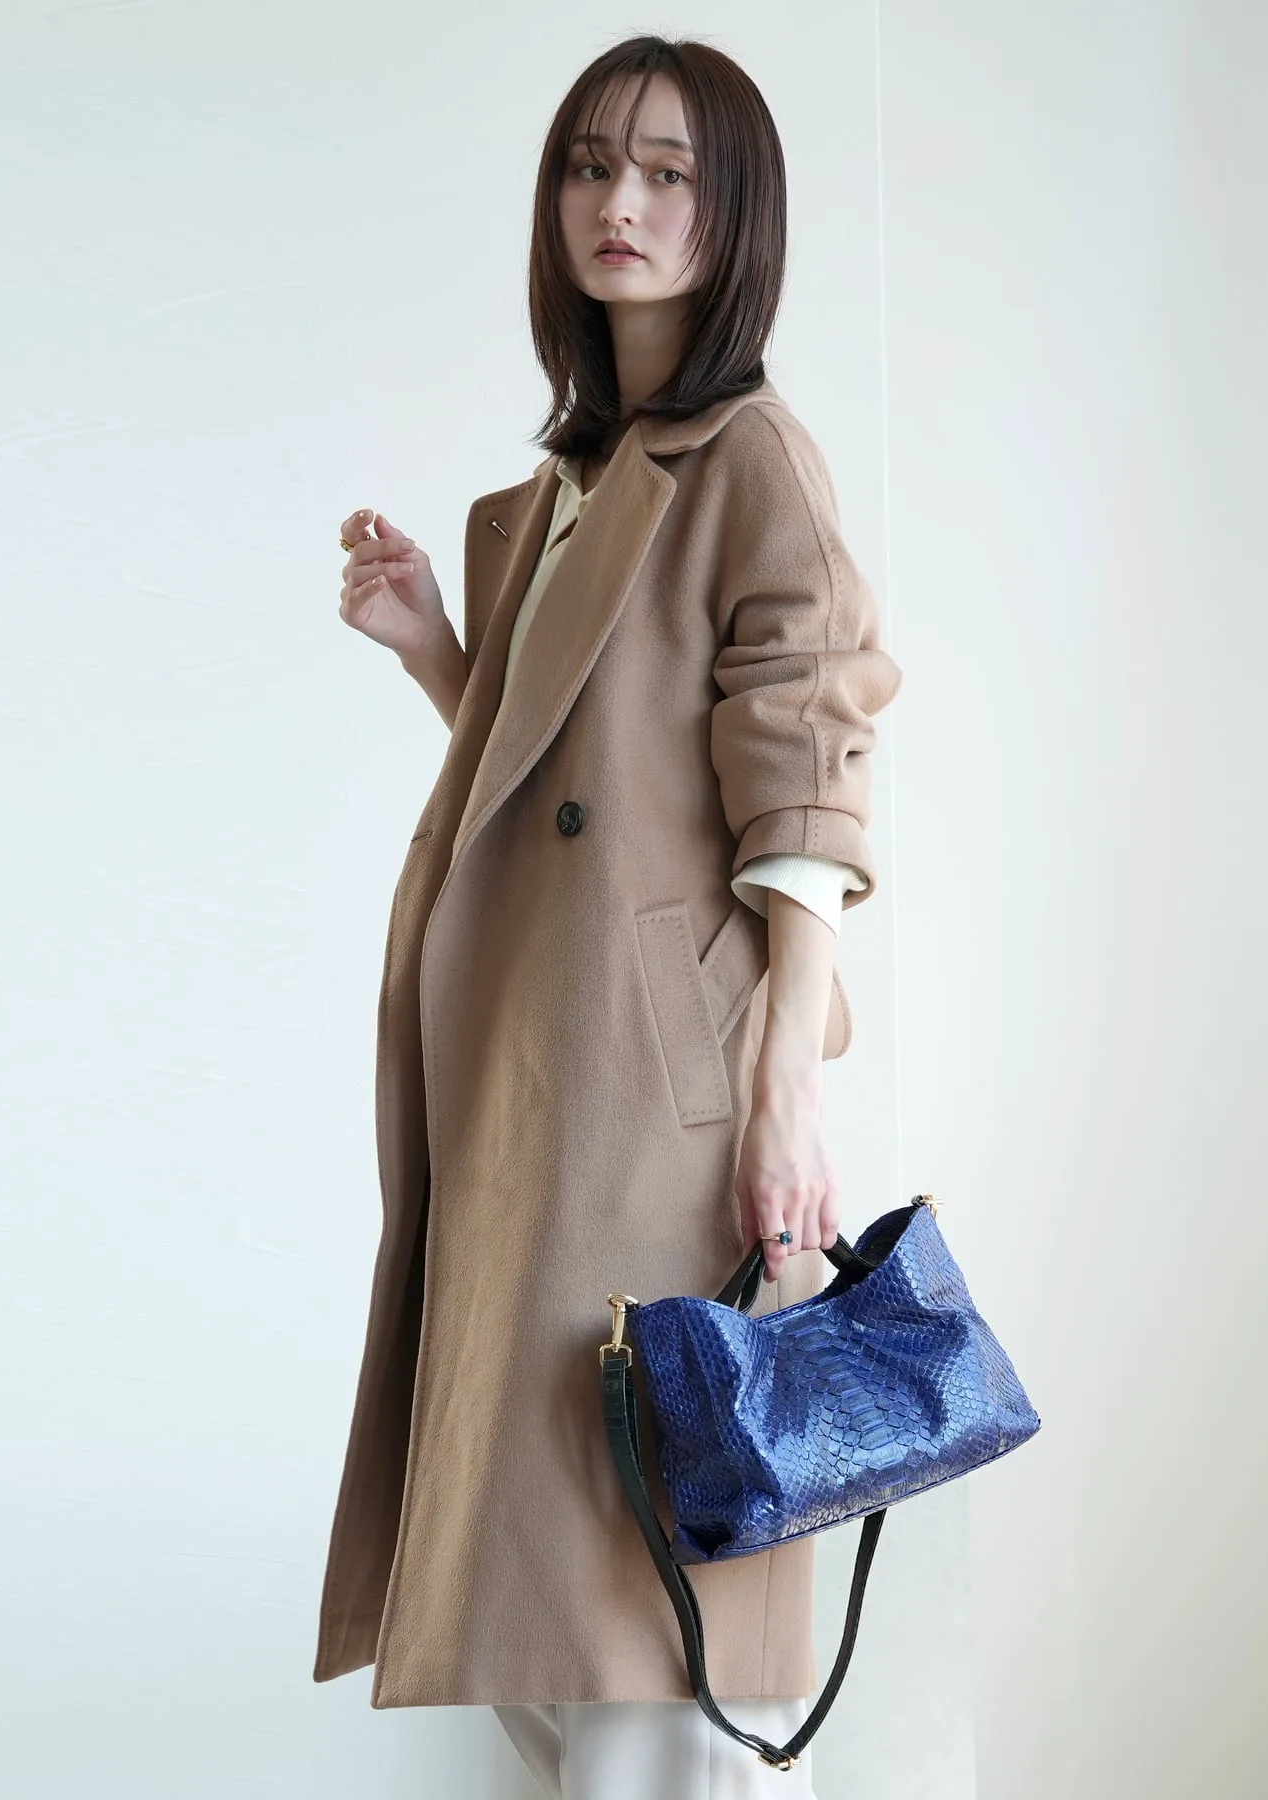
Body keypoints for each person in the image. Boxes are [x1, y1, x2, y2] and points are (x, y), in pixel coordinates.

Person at [316, 34, 903, 1800]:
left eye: (665, 171)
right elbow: (571, 785)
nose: (618, 203)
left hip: (657, 1105)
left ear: (735, 216)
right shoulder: (555, 495)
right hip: (527, 1081)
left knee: (649, 1597)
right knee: (538, 1608)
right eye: (589, 165)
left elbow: (808, 775)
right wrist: (440, 648)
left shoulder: (752, 461)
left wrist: (787, 1092)